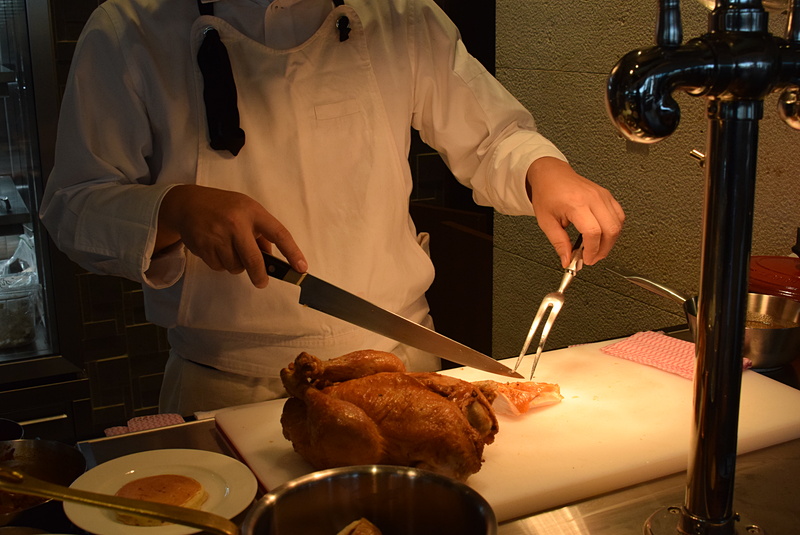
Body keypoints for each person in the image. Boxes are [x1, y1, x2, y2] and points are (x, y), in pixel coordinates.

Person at [41, 0, 625, 415]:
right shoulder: (131, 27)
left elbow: (493, 138)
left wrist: (543, 170)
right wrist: (176, 210)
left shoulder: (400, 13)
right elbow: (73, 205)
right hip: (231, 394)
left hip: (404, 371)